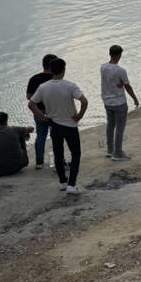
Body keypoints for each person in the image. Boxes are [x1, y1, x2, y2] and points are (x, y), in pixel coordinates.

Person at [28, 57, 88, 194]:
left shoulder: (43, 87)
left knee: (58, 153)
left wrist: (42, 116)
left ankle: (62, 182)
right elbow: (84, 101)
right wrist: (79, 115)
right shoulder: (70, 85)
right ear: (63, 70)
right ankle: (72, 184)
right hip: (70, 125)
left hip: (54, 124)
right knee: (76, 153)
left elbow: (31, 104)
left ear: (51, 70)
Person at [101, 45, 139, 160]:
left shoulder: (103, 67)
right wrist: (135, 98)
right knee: (120, 128)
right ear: (118, 55)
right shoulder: (120, 70)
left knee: (110, 125)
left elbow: (109, 81)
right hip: (119, 102)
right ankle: (118, 153)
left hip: (107, 101)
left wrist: (120, 84)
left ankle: (110, 150)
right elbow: (127, 86)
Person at [26, 54, 57, 170]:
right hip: (53, 112)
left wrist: (38, 101)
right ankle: (58, 161)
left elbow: (29, 97)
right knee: (56, 137)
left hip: (38, 111)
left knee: (40, 136)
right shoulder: (55, 79)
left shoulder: (34, 79)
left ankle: (39, 163)